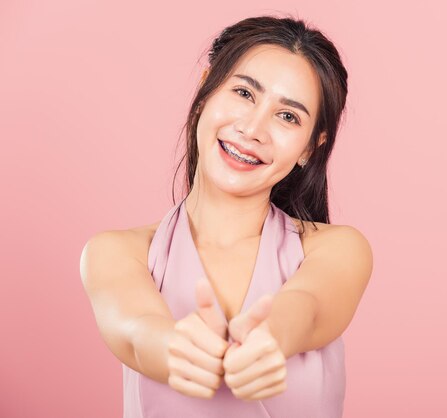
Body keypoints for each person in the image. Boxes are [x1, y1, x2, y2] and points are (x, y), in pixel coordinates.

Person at [80, 15, 373, 418]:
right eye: (243, 93)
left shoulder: (338, 248)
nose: (253, 129)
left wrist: (274, 335)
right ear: (205, 92)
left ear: (310, 147)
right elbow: (134, 330)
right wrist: (171, 348)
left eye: (288, 116)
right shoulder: (116, 252)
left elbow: (311, 306)